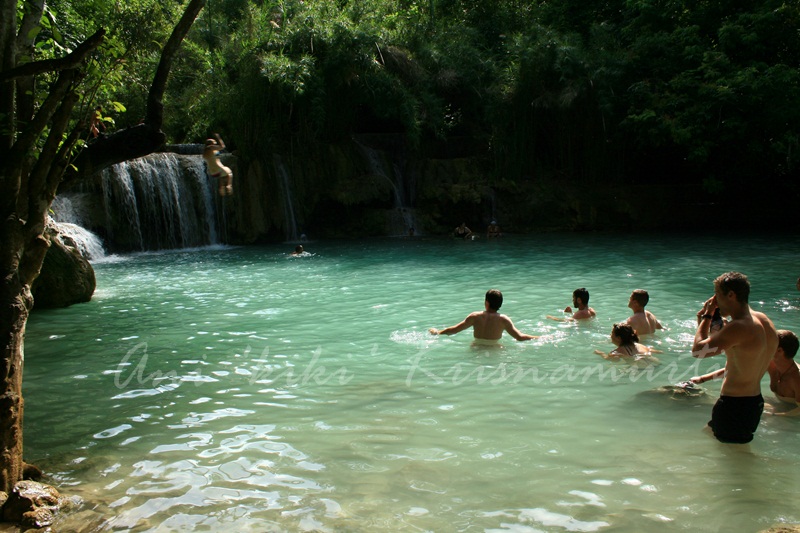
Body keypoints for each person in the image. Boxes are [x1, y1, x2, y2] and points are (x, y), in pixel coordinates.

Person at [691, 271, 779, 444]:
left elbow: (698, 351)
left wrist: (707, 316)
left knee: (728, 456)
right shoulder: (763, 320)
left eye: (717, 295)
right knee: (717, 442)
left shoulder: (739, 327)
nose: (715, 301)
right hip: (754, 403)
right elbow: (738, 360)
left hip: (734, 405)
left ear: (731, 295)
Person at [429, 289, 538, 343]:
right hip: (495, 350)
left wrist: (437, 332)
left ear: (486, 302)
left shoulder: (475, 316)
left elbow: (454, 330)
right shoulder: (504, 320)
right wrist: (540, 338)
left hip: (476, 348)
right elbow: (520, 337)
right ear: (500, 304)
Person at [766, 330, 800, 416]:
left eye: (770, 343)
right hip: (782, 407)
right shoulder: (770, 364)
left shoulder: (796, 377)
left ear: (780, 351)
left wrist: (775, 415)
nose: (765, 344)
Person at [594, 323, 661, 367]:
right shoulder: (640, 345)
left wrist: (601, 353)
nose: (610, 335)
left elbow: (612, 360)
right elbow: (656, 351)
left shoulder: (616, 352)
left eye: (612, 333)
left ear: (618, 338)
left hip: (642, 369)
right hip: (656, 363)